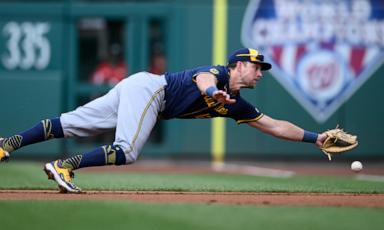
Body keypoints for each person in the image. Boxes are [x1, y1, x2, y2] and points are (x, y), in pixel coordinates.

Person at [0, 48, 327, 193]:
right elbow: (202, 81)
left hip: (139, 89)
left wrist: (316, 138)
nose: (259, 72)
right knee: (126, 150)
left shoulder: (238, 105)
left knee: (68, 124)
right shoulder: (219, 74)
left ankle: (7, 144)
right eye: (256, 67)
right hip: (151, 91)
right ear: (238, 65)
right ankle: (64, 166)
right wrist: (214, 92)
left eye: (261, 69)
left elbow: (274, 125)